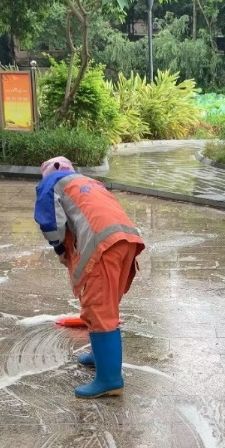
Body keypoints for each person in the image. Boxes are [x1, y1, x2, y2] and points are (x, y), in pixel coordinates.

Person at [35, 156, 145, 398]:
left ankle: (110, 380)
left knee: (99, 308)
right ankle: (99, 357)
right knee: (106, 302)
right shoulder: (88, 182)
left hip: (103, 244)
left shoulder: (52, 182)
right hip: (127, 239)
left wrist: (59, 248)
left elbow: (50, 223)